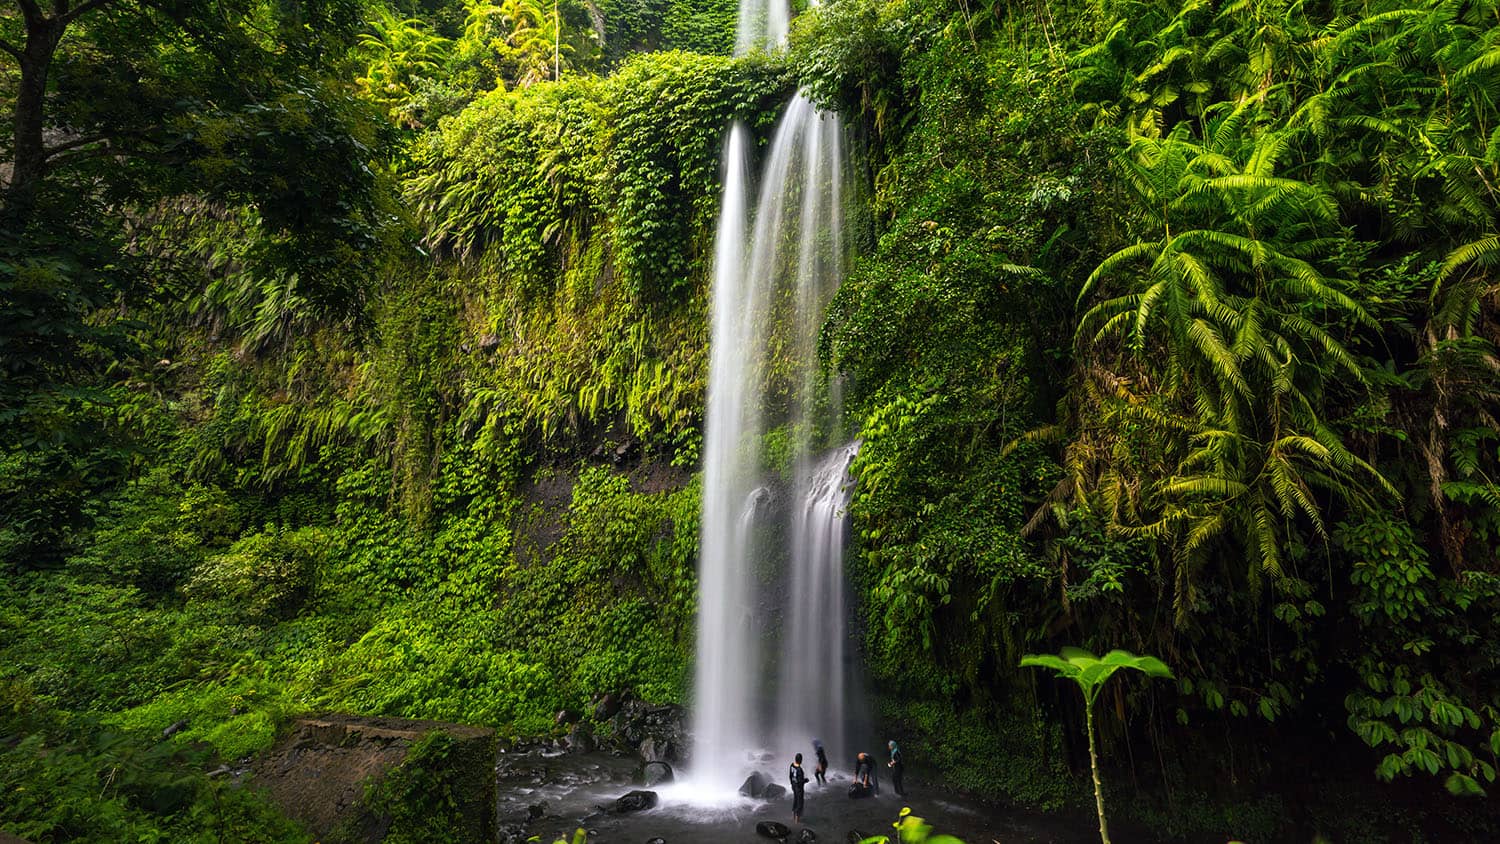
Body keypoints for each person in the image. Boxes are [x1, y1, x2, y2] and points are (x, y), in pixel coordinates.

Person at [789, 752, 809, 823]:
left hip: (794, 786)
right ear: (800, 760)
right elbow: (800, 781)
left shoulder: (792, 765)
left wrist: (791, 783)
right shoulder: (799, 770)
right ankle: (797, 820)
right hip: (799, 788)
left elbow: (790, 776)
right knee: (800, 802)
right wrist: (806, 780)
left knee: (795, 800)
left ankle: (792, 815)